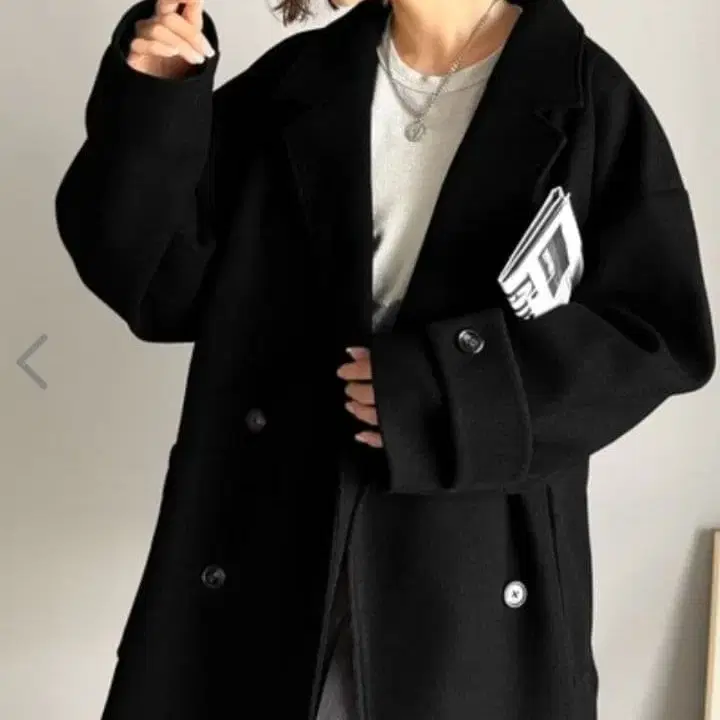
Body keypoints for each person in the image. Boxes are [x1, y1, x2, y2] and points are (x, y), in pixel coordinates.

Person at [54, 0, 715, 718]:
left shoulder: (586, 99)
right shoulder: (298, 81)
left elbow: (657, 335)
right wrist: (157, 106)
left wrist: (445, 389)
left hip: (464, 591)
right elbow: (161, 287)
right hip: (268, 560)